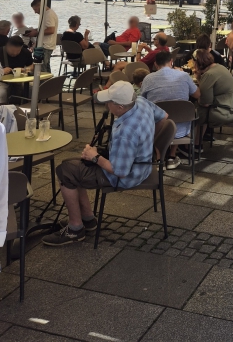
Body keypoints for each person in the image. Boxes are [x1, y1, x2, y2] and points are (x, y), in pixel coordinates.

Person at [42, 81, 168, 246]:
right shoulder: (140, 102)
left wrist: (94, 156)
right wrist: (148, 144)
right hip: (143, 165)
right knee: (70, 166)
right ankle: (88, 220)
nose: (107, 105)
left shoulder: (127, 131)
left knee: (64, 171)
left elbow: (120, 172)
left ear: (121, 107)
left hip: (128, 175)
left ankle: (75, 229)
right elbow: (164, 117)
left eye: (110, 102)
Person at [140, 50, 199, 169]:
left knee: (156, 113)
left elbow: (143, 101)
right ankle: (172, 156)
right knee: (178, 114)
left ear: (156, 64)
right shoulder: (184, 76)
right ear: (171, 62)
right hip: (181, 129)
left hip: (157, 130)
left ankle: (159, 158)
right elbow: (197, 95)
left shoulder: (148, 78)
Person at [193, 49, 233, 134]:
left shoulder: (209, 75)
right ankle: (199, 142)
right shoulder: (219, 67)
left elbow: (205, 103)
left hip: (225, 112)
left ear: (197, 64)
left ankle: (192, 144)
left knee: (194, 110)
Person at [0, 36, 34, 103]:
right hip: (2, 81)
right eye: (12, 50)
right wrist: (3, 71)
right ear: (7, 46)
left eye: (18, 51)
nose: (15, 53)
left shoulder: (25, 52)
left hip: (20, 80)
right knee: (2, 92)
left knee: (32, 88)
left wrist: (25, 69)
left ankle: (27, 106)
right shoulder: (1, 51)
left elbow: (33, 65)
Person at [29, 0, 58, 73]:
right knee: (46, 67)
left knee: (42, 69)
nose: (35, 12)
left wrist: (36, 33)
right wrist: (36, 30)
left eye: (35, 9)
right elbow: (45, 28)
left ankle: (44, 84)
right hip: (44, 44)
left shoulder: (48, 15)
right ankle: (50, 83)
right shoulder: (46, 14)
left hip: (46, 45)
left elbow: (51, 30)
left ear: (40, 6)